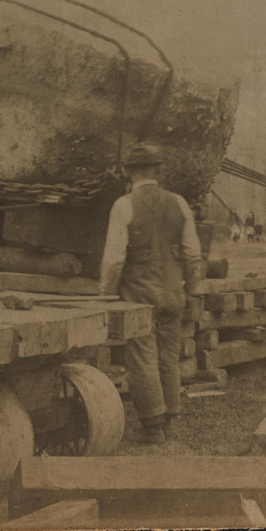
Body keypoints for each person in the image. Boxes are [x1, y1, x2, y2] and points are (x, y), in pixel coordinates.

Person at [100, 143, 203, 444]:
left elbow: (115, 258)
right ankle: (170, 418)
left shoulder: (124, 204)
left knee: (142, 357)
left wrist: (106, 294)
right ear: (159, 170)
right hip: (173, 294)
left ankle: (152, 427)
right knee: (168, 357)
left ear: (129, 172)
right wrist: (193, 289)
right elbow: (192, 253)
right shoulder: (180, 203)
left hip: (139, 295)